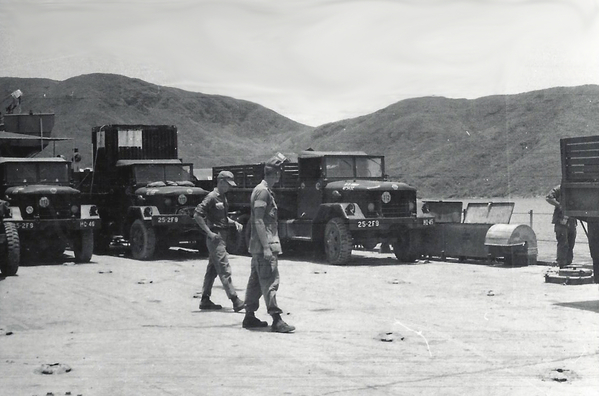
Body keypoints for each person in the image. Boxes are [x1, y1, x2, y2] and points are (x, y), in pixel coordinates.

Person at [242, 153, 295, 333]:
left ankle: (249, 316)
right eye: (279, 172)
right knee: (270, 281)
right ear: (275, 174)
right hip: (265, 245)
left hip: (259, 246)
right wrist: (266, 247)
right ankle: (276, 319)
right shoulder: (263, 191)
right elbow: (258, 220)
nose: (280, 176)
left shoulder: (261, 190)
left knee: (256, 281)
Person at [194, 171, 245, 311]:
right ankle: (235, 300)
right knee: (224, 268)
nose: (229, 188)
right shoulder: (211, 197)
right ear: (221, 182)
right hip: (215, 237)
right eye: (228, 184)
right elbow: (197, 215)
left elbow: (222, 219)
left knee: (212, 269)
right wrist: (209, 233)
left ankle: (205, 299)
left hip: (222, 235)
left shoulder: (222, 197)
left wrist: (234, 223)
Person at [546, 184, 577, 268]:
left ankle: (569, 263)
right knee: (563, 243)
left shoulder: (575, 189)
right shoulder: (559, 188)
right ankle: (561, 264)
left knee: (571, 242)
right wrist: (559, 205)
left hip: (572, 220)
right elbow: (548, 197)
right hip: (561, 220)